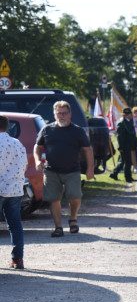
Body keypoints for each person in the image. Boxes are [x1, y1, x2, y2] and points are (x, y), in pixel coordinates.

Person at [34, 100, 95, 237]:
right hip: (51, 170)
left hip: (72, 170)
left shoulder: (77, 131)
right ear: (54, 114)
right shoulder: (47, 129)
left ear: (70, 114)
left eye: (64, 113)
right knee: (53, 199)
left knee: (75, 196)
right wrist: (38, 160)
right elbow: (37, 147)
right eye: (58, 113)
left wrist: (90, 168)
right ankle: (58, 227)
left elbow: (88, 149)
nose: (61, 116)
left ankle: (73, 218)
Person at [0, 115, 28, 269]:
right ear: (7, 126)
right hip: (15, 189)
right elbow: (24, 164)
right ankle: (17, 259)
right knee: (15, 225)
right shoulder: (17, 143)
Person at [109, 107, 137, 187]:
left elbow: (133, 134)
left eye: (129, 114)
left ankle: (113, 174)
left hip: (130, 144)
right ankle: (128, 178)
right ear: (126, 115)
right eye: (128, 114)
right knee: (127, 162)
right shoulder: (122, 124)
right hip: (124, 146)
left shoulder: (129, 122)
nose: (130, 115)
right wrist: (120, 147)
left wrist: (136, 144)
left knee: (122, 161)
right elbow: (120, 136)